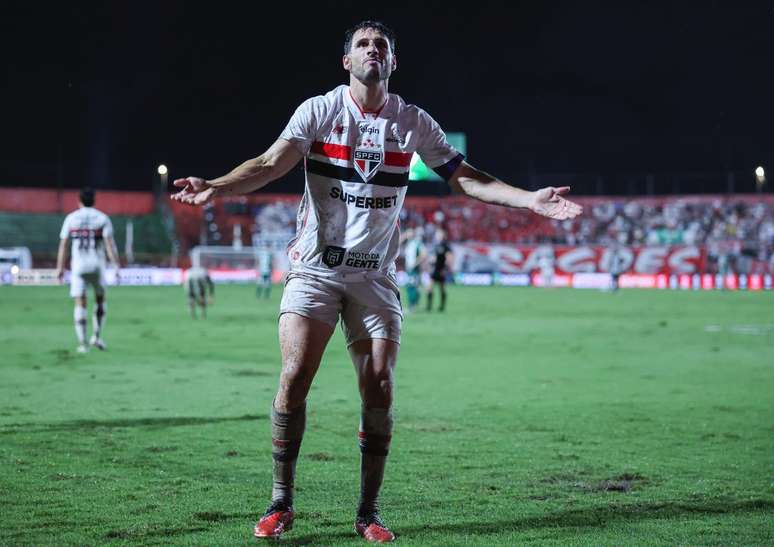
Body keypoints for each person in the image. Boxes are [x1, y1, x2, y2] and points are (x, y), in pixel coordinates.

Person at [171, 20, 582, 543]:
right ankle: (281, 501)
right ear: (347, 61)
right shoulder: (319, 111)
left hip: (374, 276)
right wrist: (218, 186)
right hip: (316, 269)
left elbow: (467, 178)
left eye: (381, 46)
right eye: (363, 44)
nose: (372, 50)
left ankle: (368, 513)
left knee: (380, 387)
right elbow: (271, 163)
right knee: (295, 377)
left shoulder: (412, 123)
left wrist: (528, 199)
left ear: (392, 63)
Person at [56, 187, 120, 353]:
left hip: (78, 266)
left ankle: (83, 344)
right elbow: (109, 244)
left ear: (79, 200)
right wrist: (116, 265)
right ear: (94, 200)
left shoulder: (71, 218)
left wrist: (60, 268)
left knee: (80, 302)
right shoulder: (102, 218)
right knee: (100, 300)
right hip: (97, 265)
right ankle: (97, 337)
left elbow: (64, 244)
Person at [425, 229, 452, 311]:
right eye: (437, 235)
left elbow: (449, 257)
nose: (438, 236)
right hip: (434, 269)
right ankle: (429, 306)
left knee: (442, 288)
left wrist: (446, 269)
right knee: (429, 288)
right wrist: (430, 264)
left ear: (443, 236)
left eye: (439, 235)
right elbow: (432, 257)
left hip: (441, 270)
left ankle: (442, 306)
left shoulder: (445, 245)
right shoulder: (434, 245)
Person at [401, 227, 425, 312]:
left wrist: (415, 264)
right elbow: (397, 242)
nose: (408, 235)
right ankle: (414, 304)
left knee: (411, 287)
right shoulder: (408, 244)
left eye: (410, 233)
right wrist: (404, 236)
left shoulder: (416, 243)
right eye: (407, 233)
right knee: (413, 286)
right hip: (409, 269)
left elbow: (423, 255)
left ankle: (412, 306)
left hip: (414, 269)